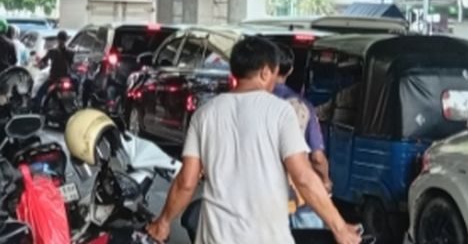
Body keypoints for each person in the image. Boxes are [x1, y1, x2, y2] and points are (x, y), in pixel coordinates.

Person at [146, 36, 360, 244]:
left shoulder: (205, 114)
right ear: (266, 72)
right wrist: (340, 229)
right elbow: (303, 177)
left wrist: (163, 222)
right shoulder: (281, 112)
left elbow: (187, 181)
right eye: (275, 72)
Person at [273, 46, 331, 230]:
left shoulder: (253, 104)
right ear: (290, 70)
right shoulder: (301, 105)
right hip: (297, 189)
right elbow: (317, 157)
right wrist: (326, 180)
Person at [34, 31, 73, 108]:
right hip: (66, 78)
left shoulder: (52, 51)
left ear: (58, 39)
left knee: (40, 93)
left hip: (54, 78)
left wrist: (39, 64)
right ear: (66, 40)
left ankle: (37, 108)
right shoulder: (71, 52)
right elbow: (72, 64)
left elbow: (43, 61)